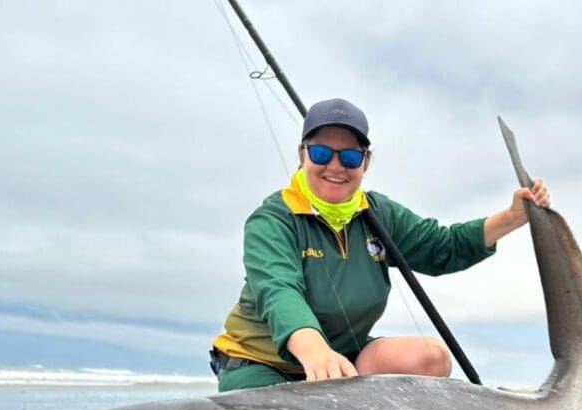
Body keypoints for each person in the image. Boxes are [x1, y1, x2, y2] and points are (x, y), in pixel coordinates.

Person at [210, 97, 550, 391]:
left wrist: (513, 217)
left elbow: (442, 247)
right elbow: (278, 290)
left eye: (350, 157)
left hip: (341, 364)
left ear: (366, 162)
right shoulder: (272, 220)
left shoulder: (378, 215)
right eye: (321, 152)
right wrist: (314, 350)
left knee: (431, 359)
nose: (335, 166)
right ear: (302, 155)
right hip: (260, 362)